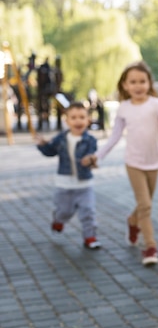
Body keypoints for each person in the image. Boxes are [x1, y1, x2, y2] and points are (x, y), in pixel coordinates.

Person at [88, 61, 158, 266]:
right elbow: (114, 137)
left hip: (154, 163)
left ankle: (132, 221)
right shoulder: (124, 109)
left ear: (149, 83)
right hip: (134, 163)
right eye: (133, 82)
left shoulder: (155, 104)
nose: (138, 86)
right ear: (125, 85)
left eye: (142, 81)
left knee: (144, 205)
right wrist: (98, 156)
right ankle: (150, 247)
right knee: (146, 206)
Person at [35, 102, 100, 250]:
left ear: (88, 120)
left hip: (84, 184)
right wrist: (43, 144)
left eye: (82, 117)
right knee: (65, 211)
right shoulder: (61, 138)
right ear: (67, 121)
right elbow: (50, 151)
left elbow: (93, 154)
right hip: (64, 184)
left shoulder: (91, 140)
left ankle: (90, 237)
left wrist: (90, 159)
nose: (78, 121)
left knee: (88, 211)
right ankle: (58, 219)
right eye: (74, 117)